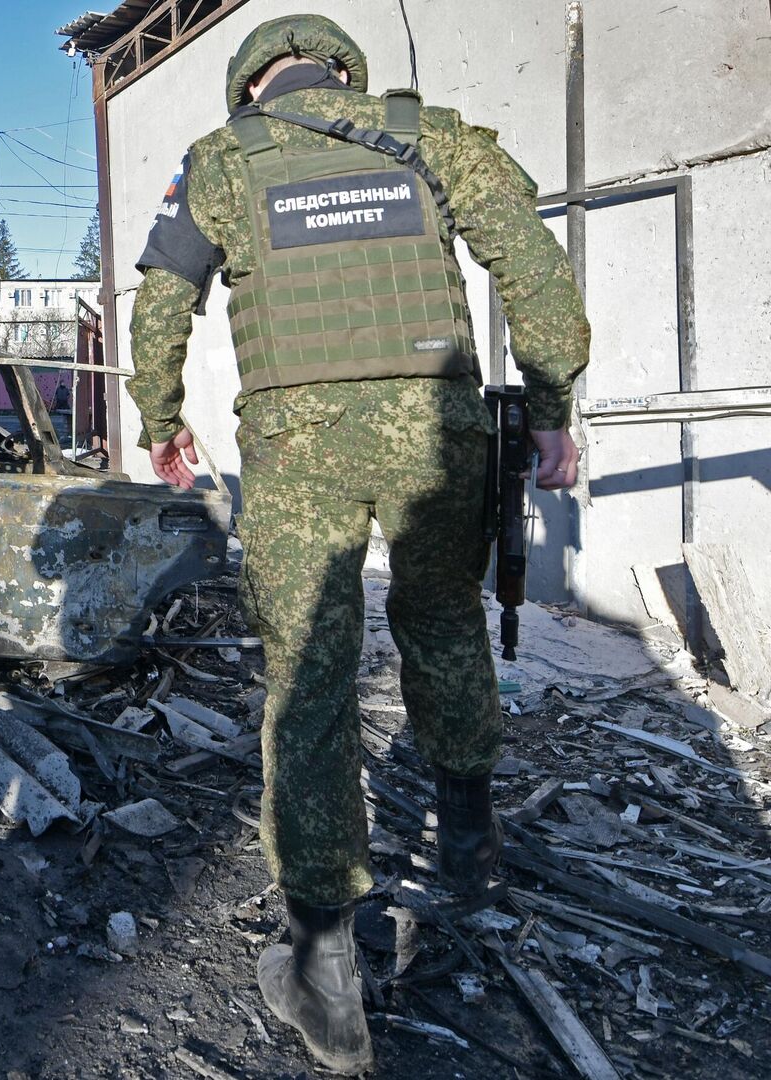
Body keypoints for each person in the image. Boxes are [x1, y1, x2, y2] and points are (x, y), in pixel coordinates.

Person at [124, 14, 588, 1074]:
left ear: (251, 86)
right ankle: (471, 856)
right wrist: (555, 401)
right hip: (439, 433)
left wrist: (157, 418)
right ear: (343, 74)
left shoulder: (221, 159)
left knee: (312, 677)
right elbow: (530, 257)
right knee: (442, 625)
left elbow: (160, 304)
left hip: (299, 445)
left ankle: (325, 973)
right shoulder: (427, 133)